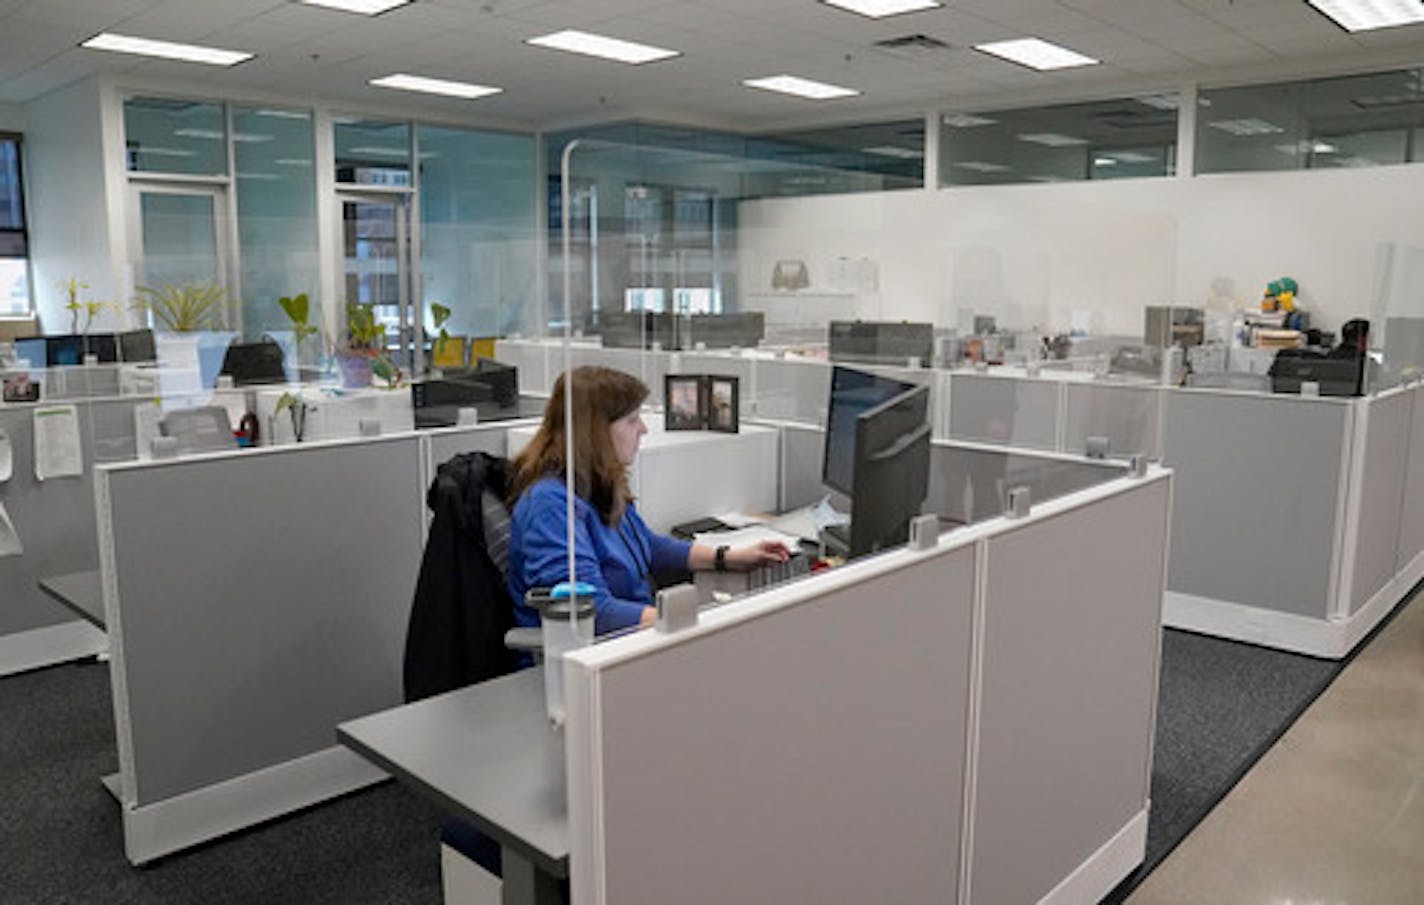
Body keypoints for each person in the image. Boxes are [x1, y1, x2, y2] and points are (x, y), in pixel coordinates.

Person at [507, 366, 789, 635]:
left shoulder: (596, 483)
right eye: (632, 420)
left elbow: (647, 546)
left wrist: (727, 557)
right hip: (591, 659)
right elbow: (591, 613)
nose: (642, 429)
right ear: (596, 433)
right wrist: (693, 621)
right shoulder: (550, 506)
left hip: (634, 637)